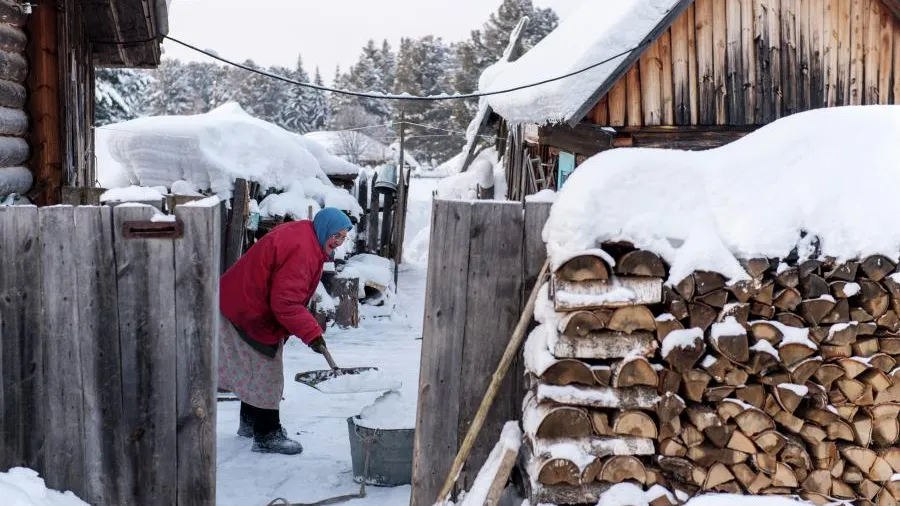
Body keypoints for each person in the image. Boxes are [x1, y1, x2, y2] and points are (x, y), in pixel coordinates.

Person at [218, 206, 353, 455]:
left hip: (240, 302)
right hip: (249, 310)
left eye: (343, 237)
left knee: (253, 367)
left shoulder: (305, 235)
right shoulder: (304, 250)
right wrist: (312, 334)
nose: (339, 242)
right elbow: (286, 303)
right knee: (267, 371)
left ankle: (250, 424)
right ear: (324, 229)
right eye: (336, 235)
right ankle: (267, 435)